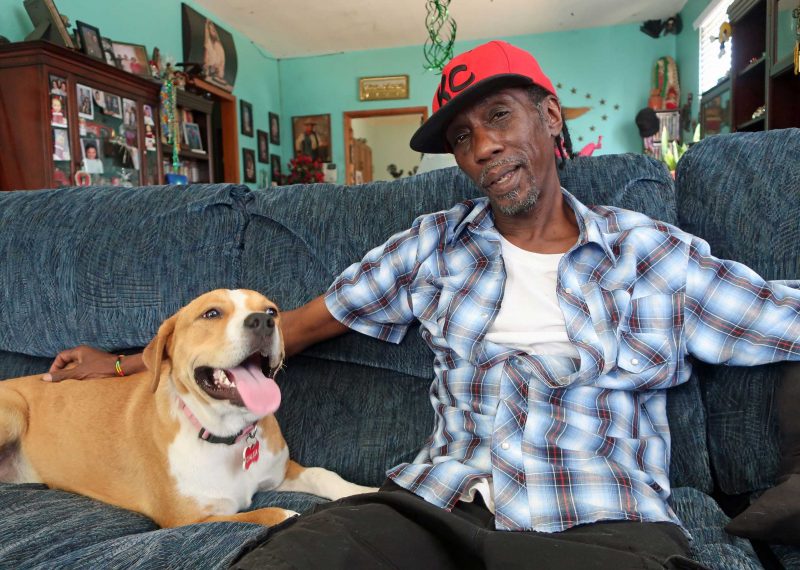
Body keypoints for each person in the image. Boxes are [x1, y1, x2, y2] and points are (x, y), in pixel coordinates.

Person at [44, 41, 800, 568]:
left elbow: (781, 317)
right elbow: (291, 329)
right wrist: (124, 363)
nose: (481, 149)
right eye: (463, 137)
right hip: (440, 504)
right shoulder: (431, 245)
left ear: (551, 117)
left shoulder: (652, 255)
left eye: (500, 117)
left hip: (603, 519)